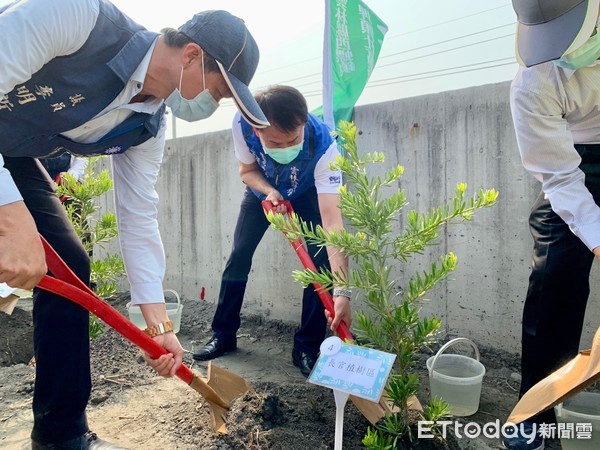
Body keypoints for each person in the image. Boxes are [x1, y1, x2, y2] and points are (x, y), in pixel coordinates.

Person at [0, 0, 268, 448]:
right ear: (191, 56)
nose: (215, 105)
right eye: (219, 92)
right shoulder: (76, 17)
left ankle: (60, 437)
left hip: (11, 152)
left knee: (65, 263)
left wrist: (160, 328)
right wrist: (9, 219)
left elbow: (139, 217)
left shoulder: (147, 125)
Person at [193, 85, 352, 377]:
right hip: (261, 193)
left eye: (292, 140)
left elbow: (332, 221)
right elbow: (247, 171)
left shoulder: (325, 145)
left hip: (307, 194)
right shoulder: (242, 124)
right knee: (238, 257)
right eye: (274, 143)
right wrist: (269, 191)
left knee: (319, 267)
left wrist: (343, 290)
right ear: (257, 131)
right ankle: (223, 334)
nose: (285, 149)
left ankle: (307, 346)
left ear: (304, 122)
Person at [505, 0, 600, 449]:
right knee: (554, 275)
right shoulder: (532, 81)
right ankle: (535, 414)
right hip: (576, 157)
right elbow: (559, 176)